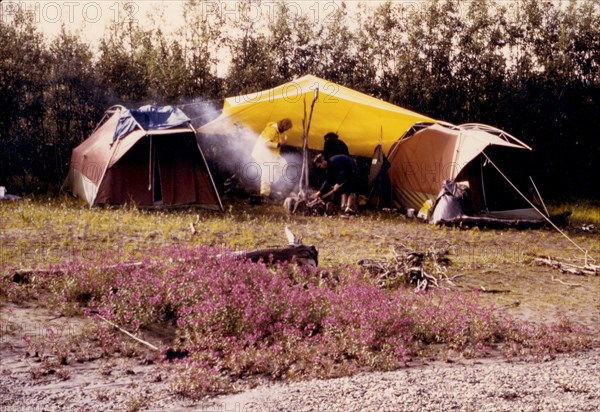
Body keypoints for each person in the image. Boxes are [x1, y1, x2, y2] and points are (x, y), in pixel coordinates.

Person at [251, 118, 293, 200]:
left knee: (283, 163)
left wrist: (280, 143)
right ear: (283, 127)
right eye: (285, 129)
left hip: (271, 154)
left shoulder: (276, 130)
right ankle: (264, 194)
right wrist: (280, 144)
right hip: (262, 154)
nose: (285, 131)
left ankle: (272, 184)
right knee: (267, 172)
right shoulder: (272, 130)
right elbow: (266, 143)